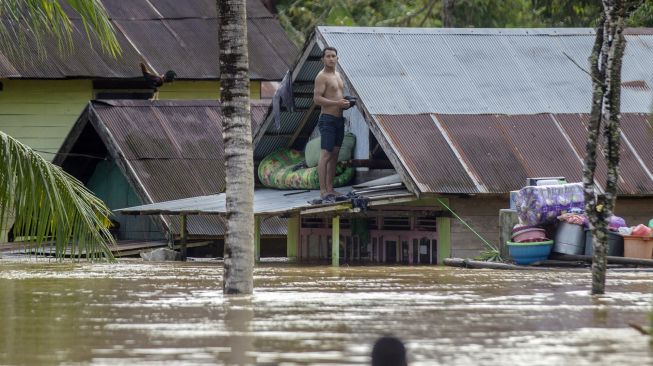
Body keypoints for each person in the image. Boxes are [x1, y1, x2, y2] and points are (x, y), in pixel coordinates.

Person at [313, 46, 351, 201]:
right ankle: (323, 191)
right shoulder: (321, 77)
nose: (330, 58)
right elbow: (317, 99)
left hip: (338, 120)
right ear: (323, 59)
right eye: (327, 56)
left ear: (337, 58)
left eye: (333, 56)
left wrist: (347, 103)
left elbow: (338, 96)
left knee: (335, 154)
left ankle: (330, 189)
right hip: (327, 119)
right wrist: (336, 104)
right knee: (326, 154)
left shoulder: (338, 75)